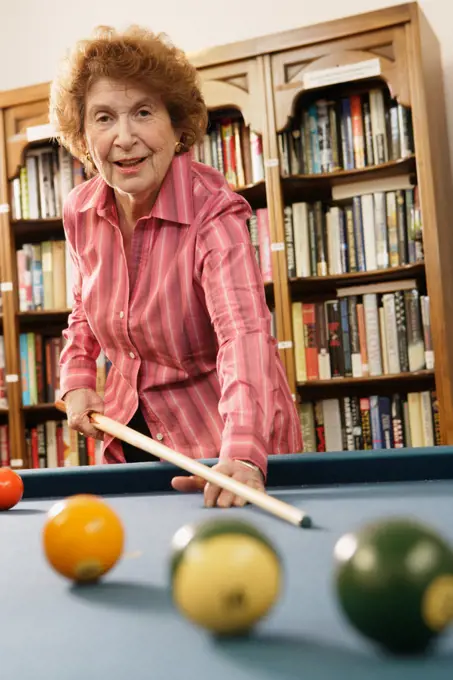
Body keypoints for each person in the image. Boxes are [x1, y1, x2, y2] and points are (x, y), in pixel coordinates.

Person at [49, 25, 303, 508]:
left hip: (226, 446)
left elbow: (243, 335)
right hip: (136, 439)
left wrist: (244, 450)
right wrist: (78, 376)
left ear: (175, 125)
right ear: (83, 136)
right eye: (104, 118)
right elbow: (84, 307)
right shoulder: (80, 210)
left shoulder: (214, 214)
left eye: (143, 113)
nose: (124, 138)